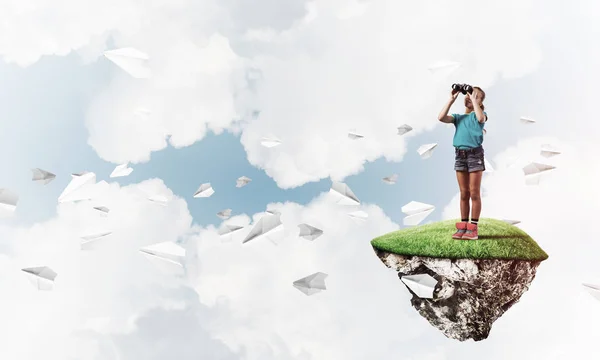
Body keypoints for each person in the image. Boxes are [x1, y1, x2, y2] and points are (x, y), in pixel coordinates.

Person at [437, 85, 488, 240]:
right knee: (464, 193)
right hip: (460, 155)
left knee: (474, 192)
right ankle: (464, 226)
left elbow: (480, 118)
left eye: (475, 96)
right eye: (469, 94)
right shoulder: (459, 118)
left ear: (480, 102)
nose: (470, 97)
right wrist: (451, 100)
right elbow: (441, 117)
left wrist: (474, 99)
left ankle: (473, 228)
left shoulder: (481, 115)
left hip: (474, 155)